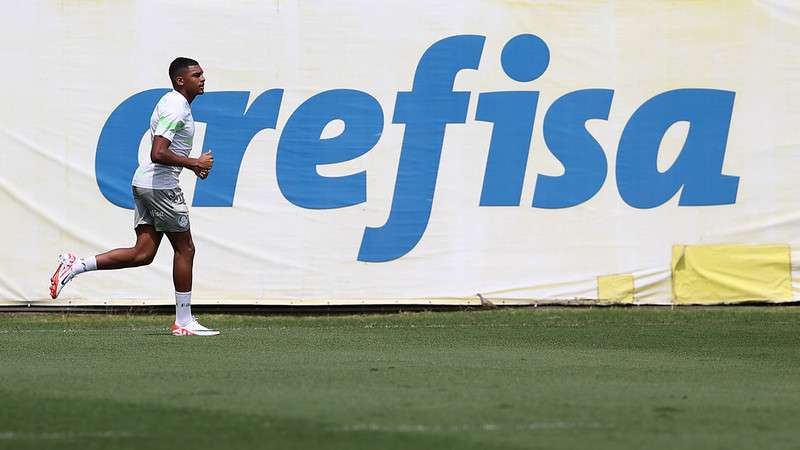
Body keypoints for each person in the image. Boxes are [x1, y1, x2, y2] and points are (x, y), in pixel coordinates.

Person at [50, 57, 219, 336]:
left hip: (147, 183)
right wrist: (194, 163)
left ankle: (76, 265)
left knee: (143, 253)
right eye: (196, 75)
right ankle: (184, 321)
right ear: (180, 80)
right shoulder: (176, 106)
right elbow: (158, 152)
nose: (202, 79)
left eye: (202, 74)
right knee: (185, 248)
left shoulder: (174, 104)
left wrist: (189, 165)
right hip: (160, 185)